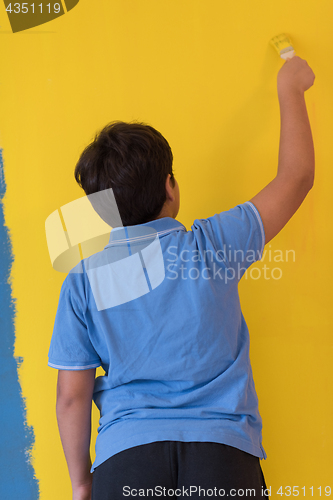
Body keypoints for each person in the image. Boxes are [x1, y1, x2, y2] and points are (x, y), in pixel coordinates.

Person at [48, 56, 315, 500]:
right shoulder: (214, 244)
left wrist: (81, 483)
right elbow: (296, 176)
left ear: (99, 211)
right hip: (224, 459)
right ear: (170, 186)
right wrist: (291, 88)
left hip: (124, 461)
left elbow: (71, 398)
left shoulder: (83, 281)